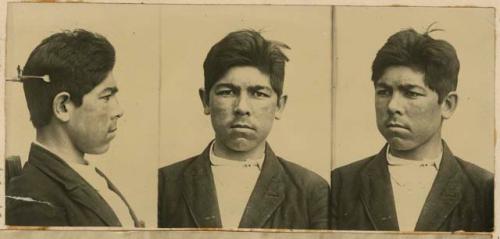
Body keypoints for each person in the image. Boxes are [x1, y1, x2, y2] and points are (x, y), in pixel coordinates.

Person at [158, 29, 329, 229]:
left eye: (258, 93)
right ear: (205, 100)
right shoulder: (164, 184)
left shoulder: (311, 191)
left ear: (280, 105)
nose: (242, 107)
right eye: (227, 92)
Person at [330, 28, 493, 232]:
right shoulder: (341, 184)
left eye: (411, 93)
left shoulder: (485, 189)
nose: (392, 106)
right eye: (384, 92)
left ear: (447, 105)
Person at [6, 29, 143, 227]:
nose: (118, 110)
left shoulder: (85, 175)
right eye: (106, 97)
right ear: (62, 107)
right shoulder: (32, 201)